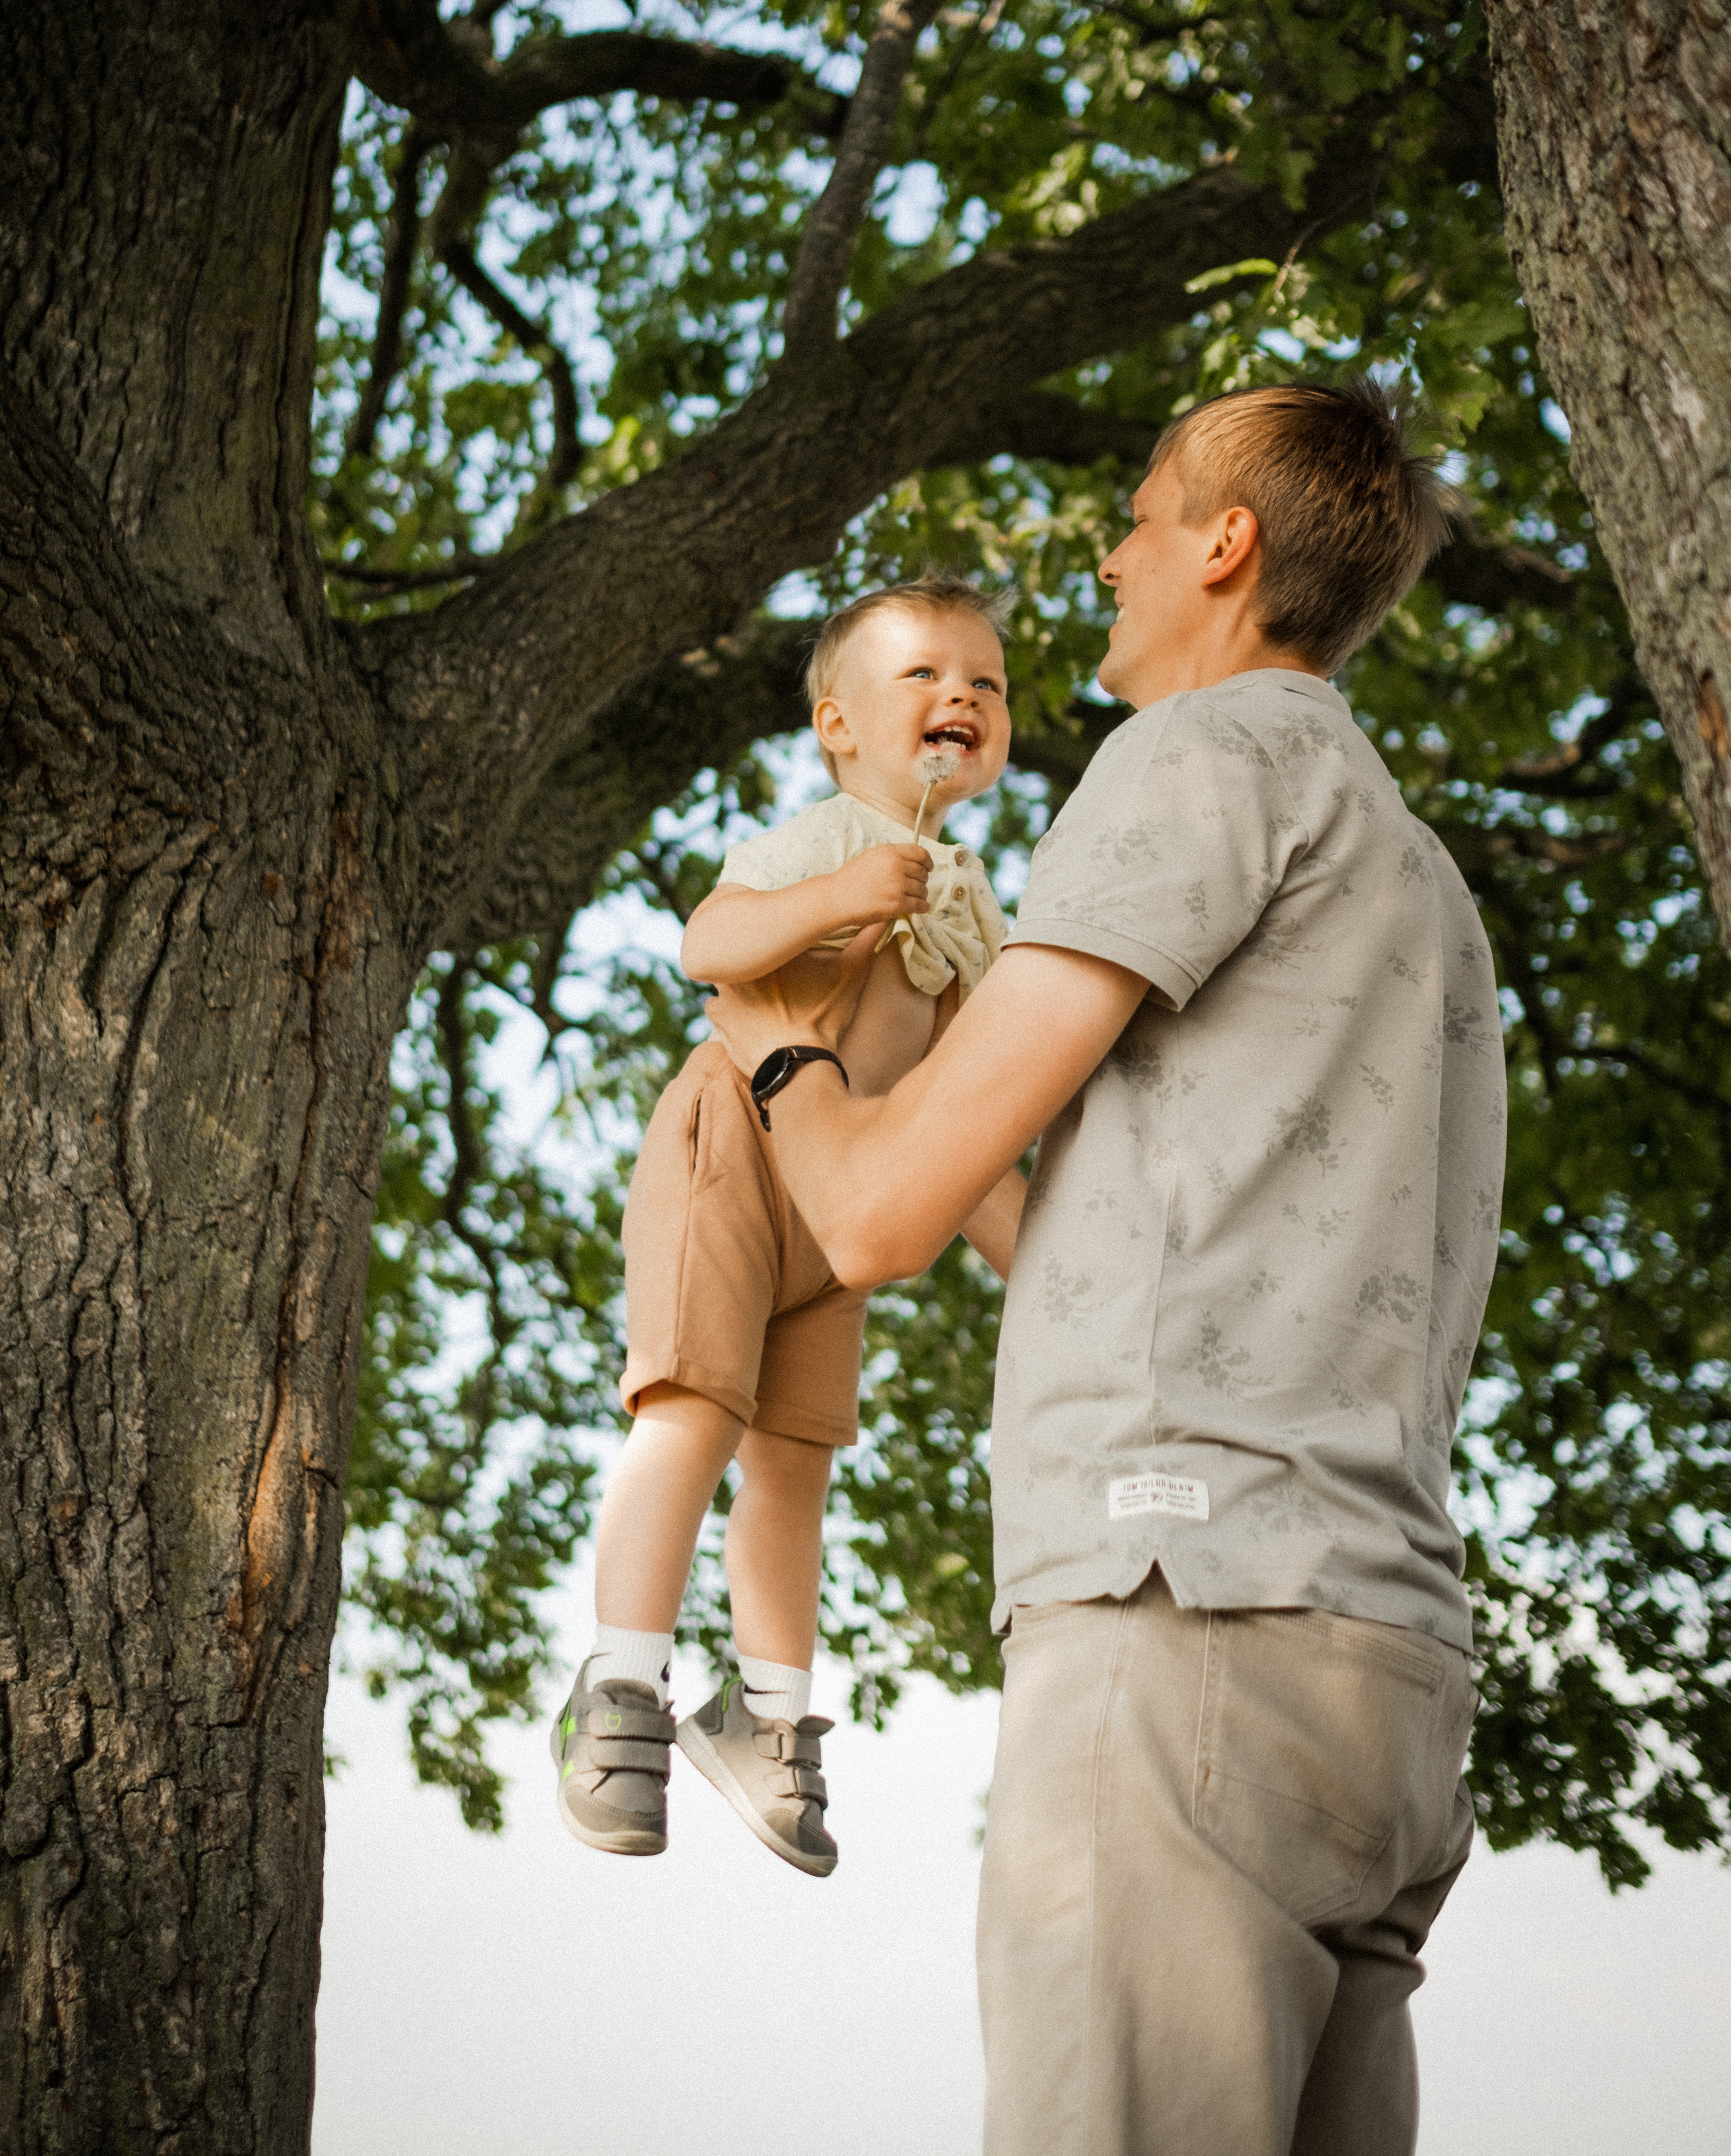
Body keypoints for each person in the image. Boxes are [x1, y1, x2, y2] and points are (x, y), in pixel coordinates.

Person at [706, 378, 1507, 2154]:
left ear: (1226, 548)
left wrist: (773, 1045)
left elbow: (876, 1216)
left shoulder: (1202, 758)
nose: (1112, 549)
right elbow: (1062, 1227)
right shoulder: (1424, 888)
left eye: (1143, 516)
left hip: (1182, 1631)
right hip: (1382, 1678)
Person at [551, 572, 1014, 1875]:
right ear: (837, 725)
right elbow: (711, 942)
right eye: (922, 674)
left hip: (844, 1199)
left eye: (985, 681)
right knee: (691, 1408)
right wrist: (841, 897)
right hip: (733, 1156)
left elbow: (976, 1110)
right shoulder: (828, 836)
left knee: (796, 1463)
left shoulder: (979, 908)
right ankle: (622, 1680)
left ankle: (767, 1719)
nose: (961, 696)